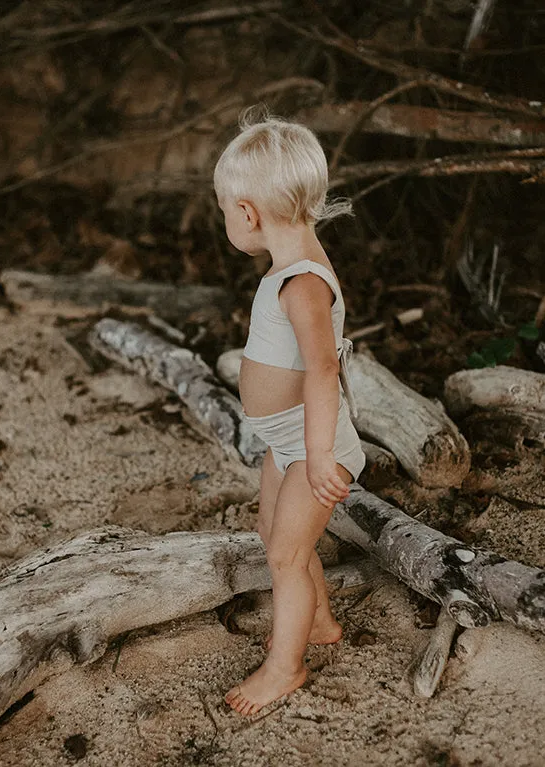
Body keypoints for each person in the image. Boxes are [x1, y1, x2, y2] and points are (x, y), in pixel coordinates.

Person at [213, 110, 365, 716]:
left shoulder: (302, 282)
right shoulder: (293, 264)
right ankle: (320, 621)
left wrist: (322, 454)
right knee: (274, 539)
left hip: (311, 446)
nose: (228, 219)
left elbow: (325, 369)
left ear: (247, 213)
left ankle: (287, 666)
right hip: (287, 440)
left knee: (284, 557)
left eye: (226, 208)